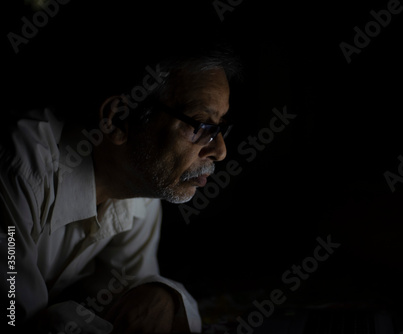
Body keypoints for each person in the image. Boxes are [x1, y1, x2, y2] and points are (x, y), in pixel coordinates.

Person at [0, 40, 241, 333]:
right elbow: (13, 320)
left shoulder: (139, 188)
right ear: (117, 119)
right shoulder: (19, 170)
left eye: (219, 128)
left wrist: (162, 297)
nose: (220, 151)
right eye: (200, 125)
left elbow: (135, 307)